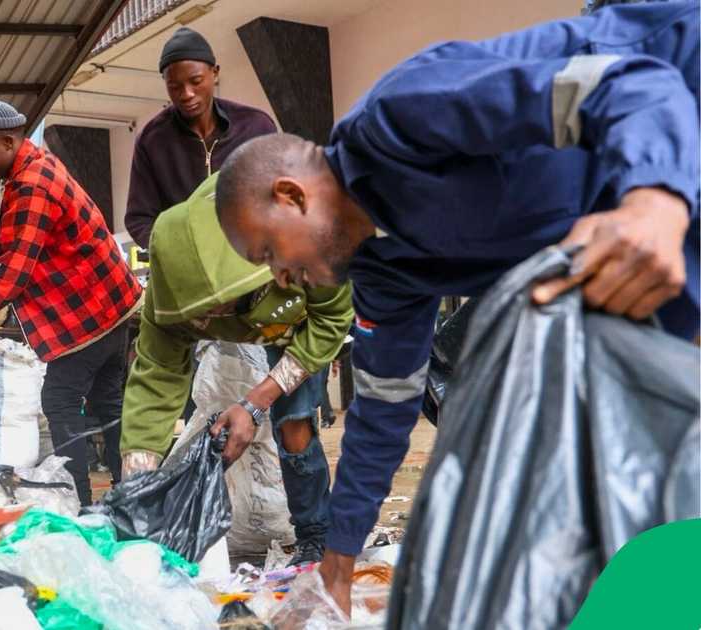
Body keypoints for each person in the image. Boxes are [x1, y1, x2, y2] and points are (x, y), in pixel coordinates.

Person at [213, 2, 699, 614]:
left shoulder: (405, 117)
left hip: (674, 104)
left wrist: (655, 199)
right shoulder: (384, 272)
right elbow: (383, 413)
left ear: (291, 195)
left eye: (269, 251)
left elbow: (630, 82)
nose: (283, 276)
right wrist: (334, 567)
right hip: (642, 220)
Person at [0, 101, 143, 505]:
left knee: (59, 398)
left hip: (88, 310)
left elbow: (16, 266)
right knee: (109, 400)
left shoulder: (31, 182)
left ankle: (79, 501)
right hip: (113, 303)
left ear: (7, 141)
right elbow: (20, 235)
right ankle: (133, 493)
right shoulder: (37, 166)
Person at [119, 173, 353, 566]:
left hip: (301, 323)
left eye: (224, 305)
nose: (215, 316)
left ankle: (316, 533)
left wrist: (255, 403)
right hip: (263, 306)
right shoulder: (170, 289)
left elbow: (330, 321)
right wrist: (136, 488)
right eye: (206, 311)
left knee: (293, 425)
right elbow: (156, 378)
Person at [124, 27, 277, 249]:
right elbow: (139, 218)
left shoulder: (256, 126)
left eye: (196, 81)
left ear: (214, 73)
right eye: (175, 86)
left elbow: (279, 196)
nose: (186, 94)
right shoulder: (152, 140)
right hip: (190, 273)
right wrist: (174, 253)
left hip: (251, 263)